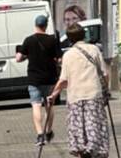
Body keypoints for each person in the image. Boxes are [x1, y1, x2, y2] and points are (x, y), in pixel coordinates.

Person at [47, 23, 110, 158]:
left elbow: (64, 80)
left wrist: (54, 94)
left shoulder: (68, 55)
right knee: (94, 128)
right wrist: (106, 89)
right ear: (84, 35)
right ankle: (93, 151)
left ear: (69, 39)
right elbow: (105, 74)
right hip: (93, 95)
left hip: (75, 97)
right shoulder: (94, 50)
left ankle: (83, 152)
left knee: (79, 131)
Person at [16, 14, 63, 146]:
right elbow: (59, 59)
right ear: (46, 26)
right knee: (49, 105)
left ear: (35, 25)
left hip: (34, 79)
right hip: (50, 78)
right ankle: (49, 131)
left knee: (36, 105)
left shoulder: (28, 40)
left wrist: (25, 56)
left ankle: (39, 135)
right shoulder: (52, 40)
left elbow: (18, 58)